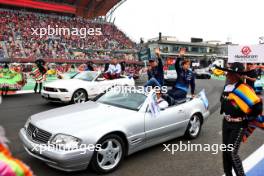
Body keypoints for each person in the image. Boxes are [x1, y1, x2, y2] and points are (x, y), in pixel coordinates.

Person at [217, 62, 262, 176]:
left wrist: (246, 116)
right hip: (226, 122)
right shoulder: (226, 87)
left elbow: (258, 107)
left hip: (239, 124)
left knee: (232, 152)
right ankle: (228, 174)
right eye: (228, 73)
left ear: (237, 75)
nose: (227, 75)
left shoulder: (244, 88)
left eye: (230, 73)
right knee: (226, 152)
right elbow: (223, 103)